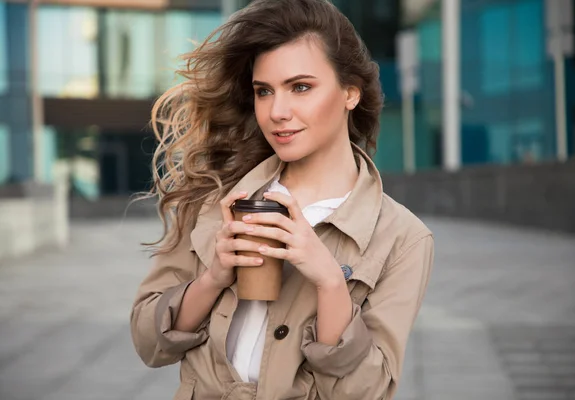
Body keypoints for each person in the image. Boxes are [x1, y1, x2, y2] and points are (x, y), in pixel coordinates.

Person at [130, 0, 434, 399]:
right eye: (263, 91)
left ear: (350, 94)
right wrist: (213, 278)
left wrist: (329, 282)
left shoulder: (403, 239)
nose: (277, 111)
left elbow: (367, 391)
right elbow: (149, 343)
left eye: (301, 87)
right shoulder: (216, 201)